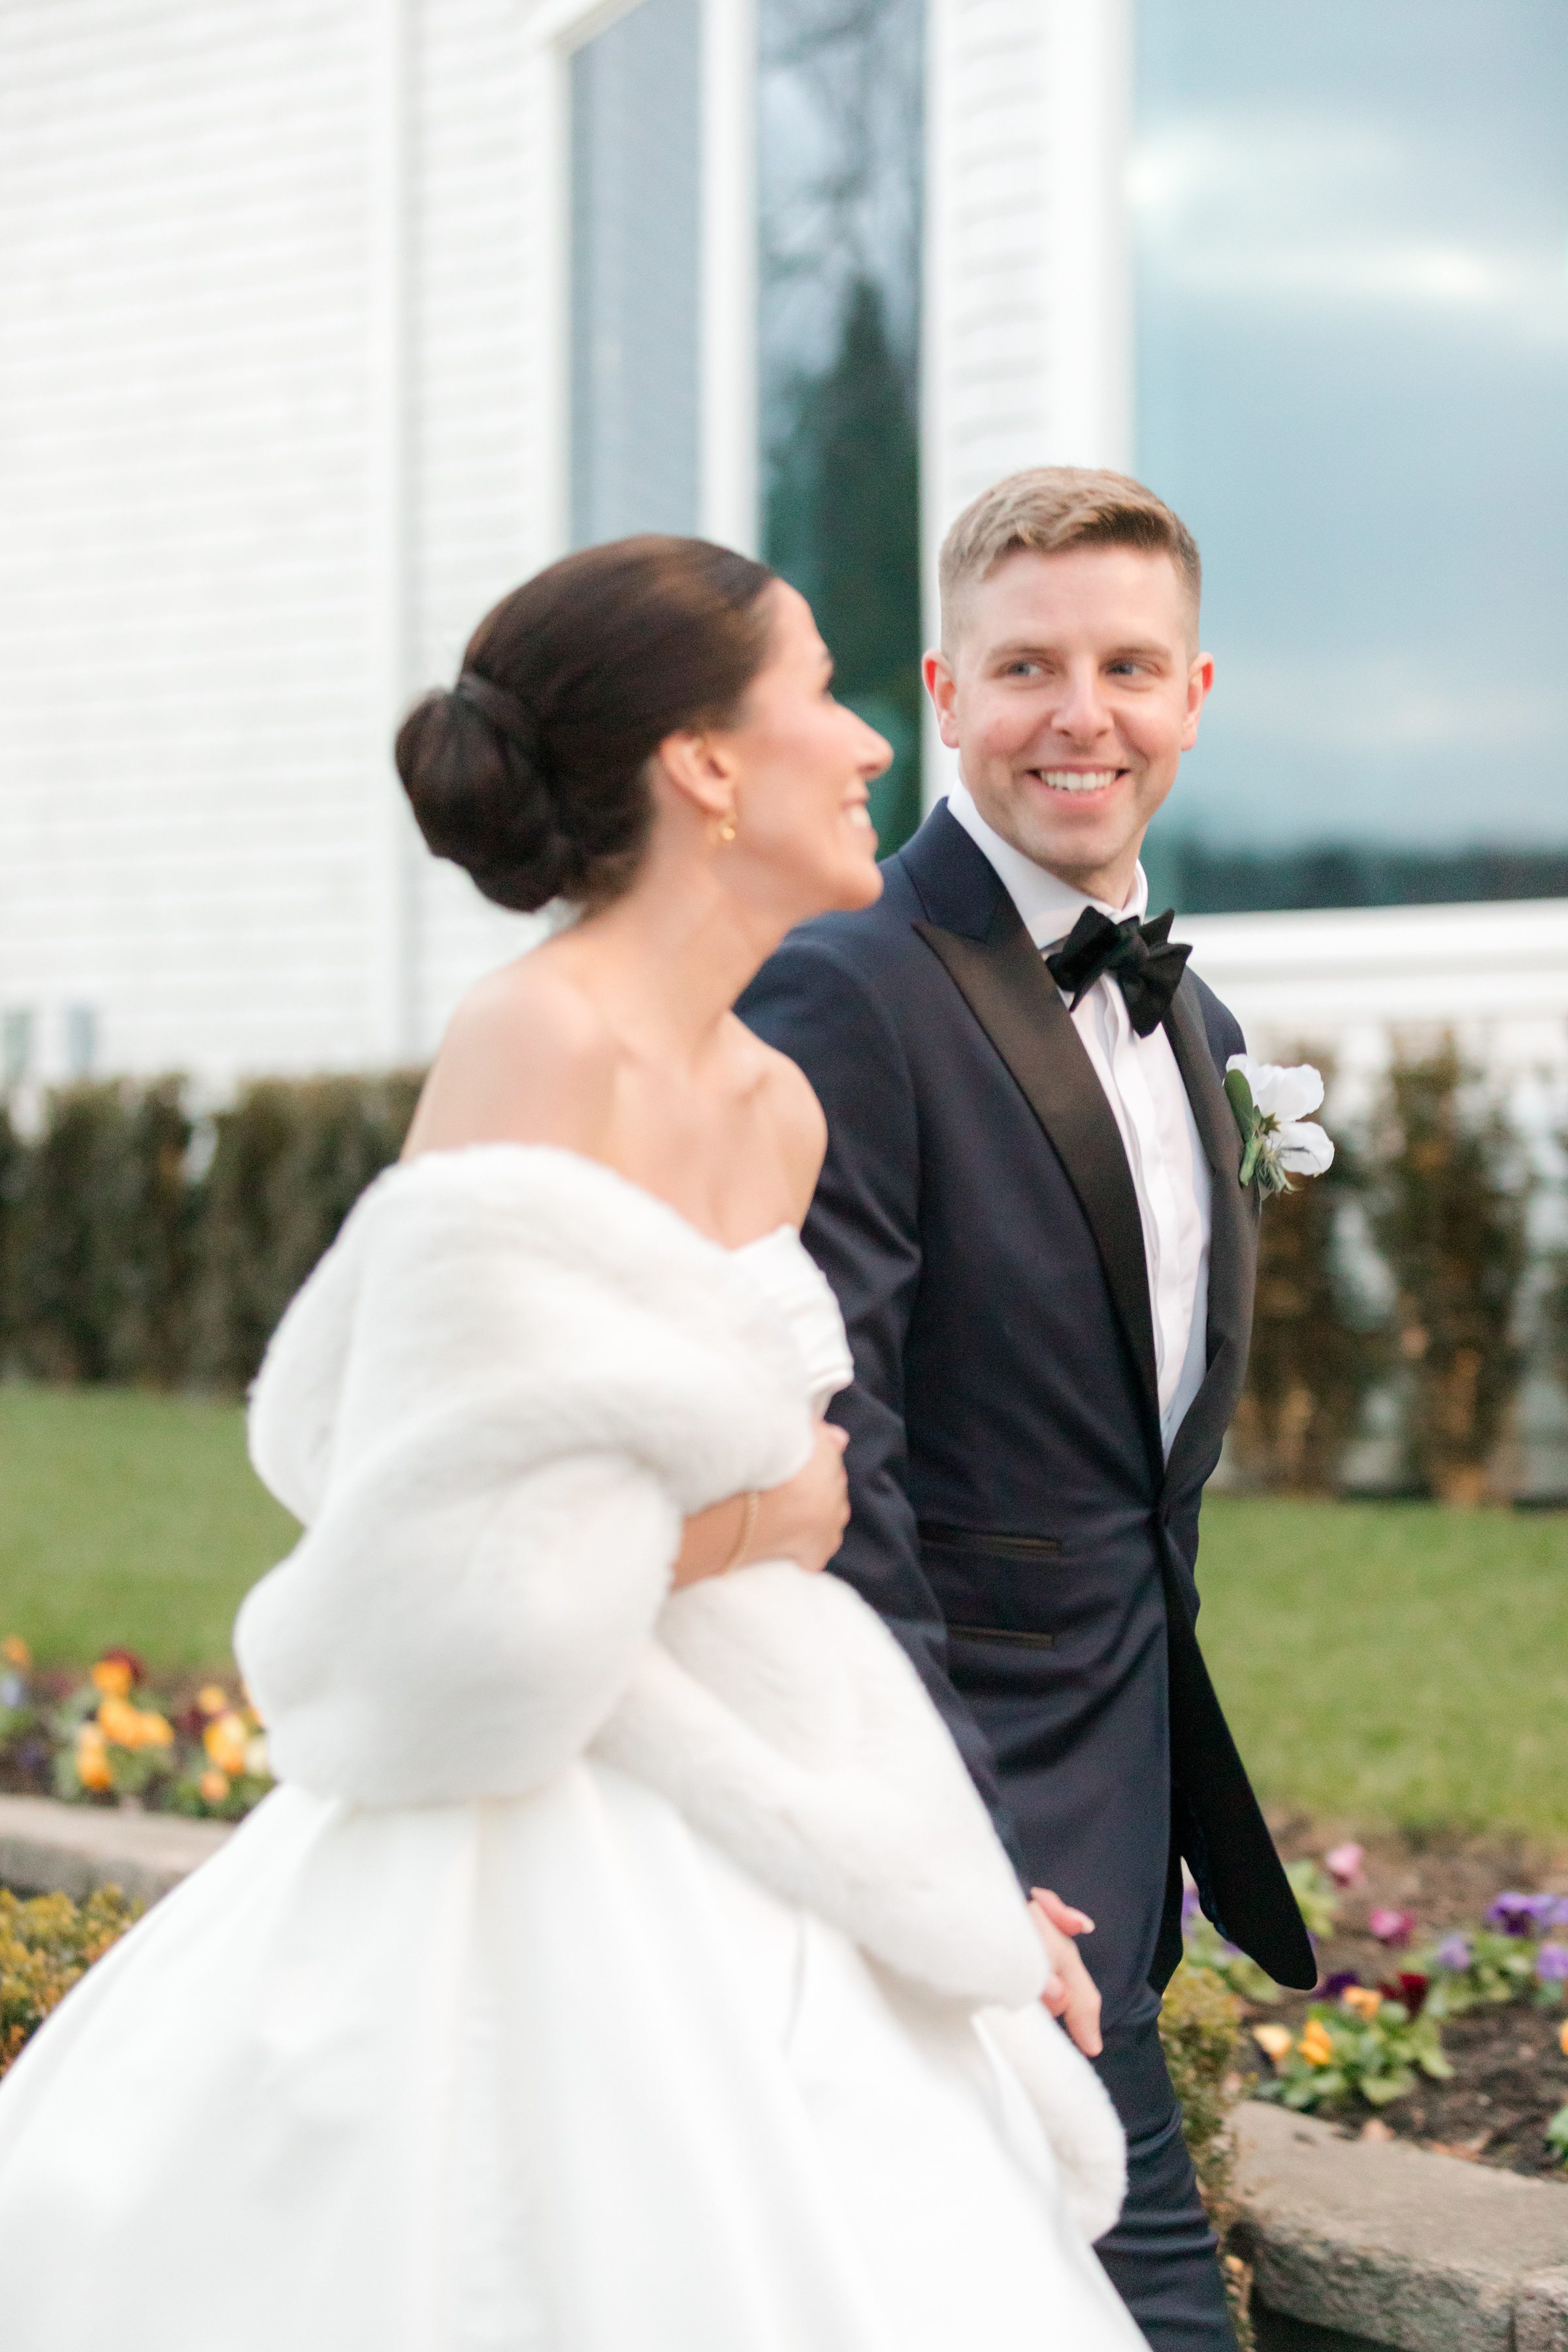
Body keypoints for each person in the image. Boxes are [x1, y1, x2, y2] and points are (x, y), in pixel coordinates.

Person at [0, 534, 1143, 2351]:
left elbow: (820, 1567)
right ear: (703, 763)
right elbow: (435, 1564)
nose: (868, 746)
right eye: (825, 693)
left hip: (751, 1777)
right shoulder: (540, 1043)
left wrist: (943, 1872)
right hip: (535, 1830)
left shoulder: (773, 1102)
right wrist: (757, 1516)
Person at [739, 469, 1317, 2352]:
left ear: (1198, 693)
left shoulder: (1204, 1030)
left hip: (1115, 1800)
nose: (1086, 713)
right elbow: (844, 1458)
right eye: (1030, 667)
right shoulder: (850, 987)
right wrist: (954, 1832)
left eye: (1131, 665)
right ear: (944, 691)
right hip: (968, 1813)